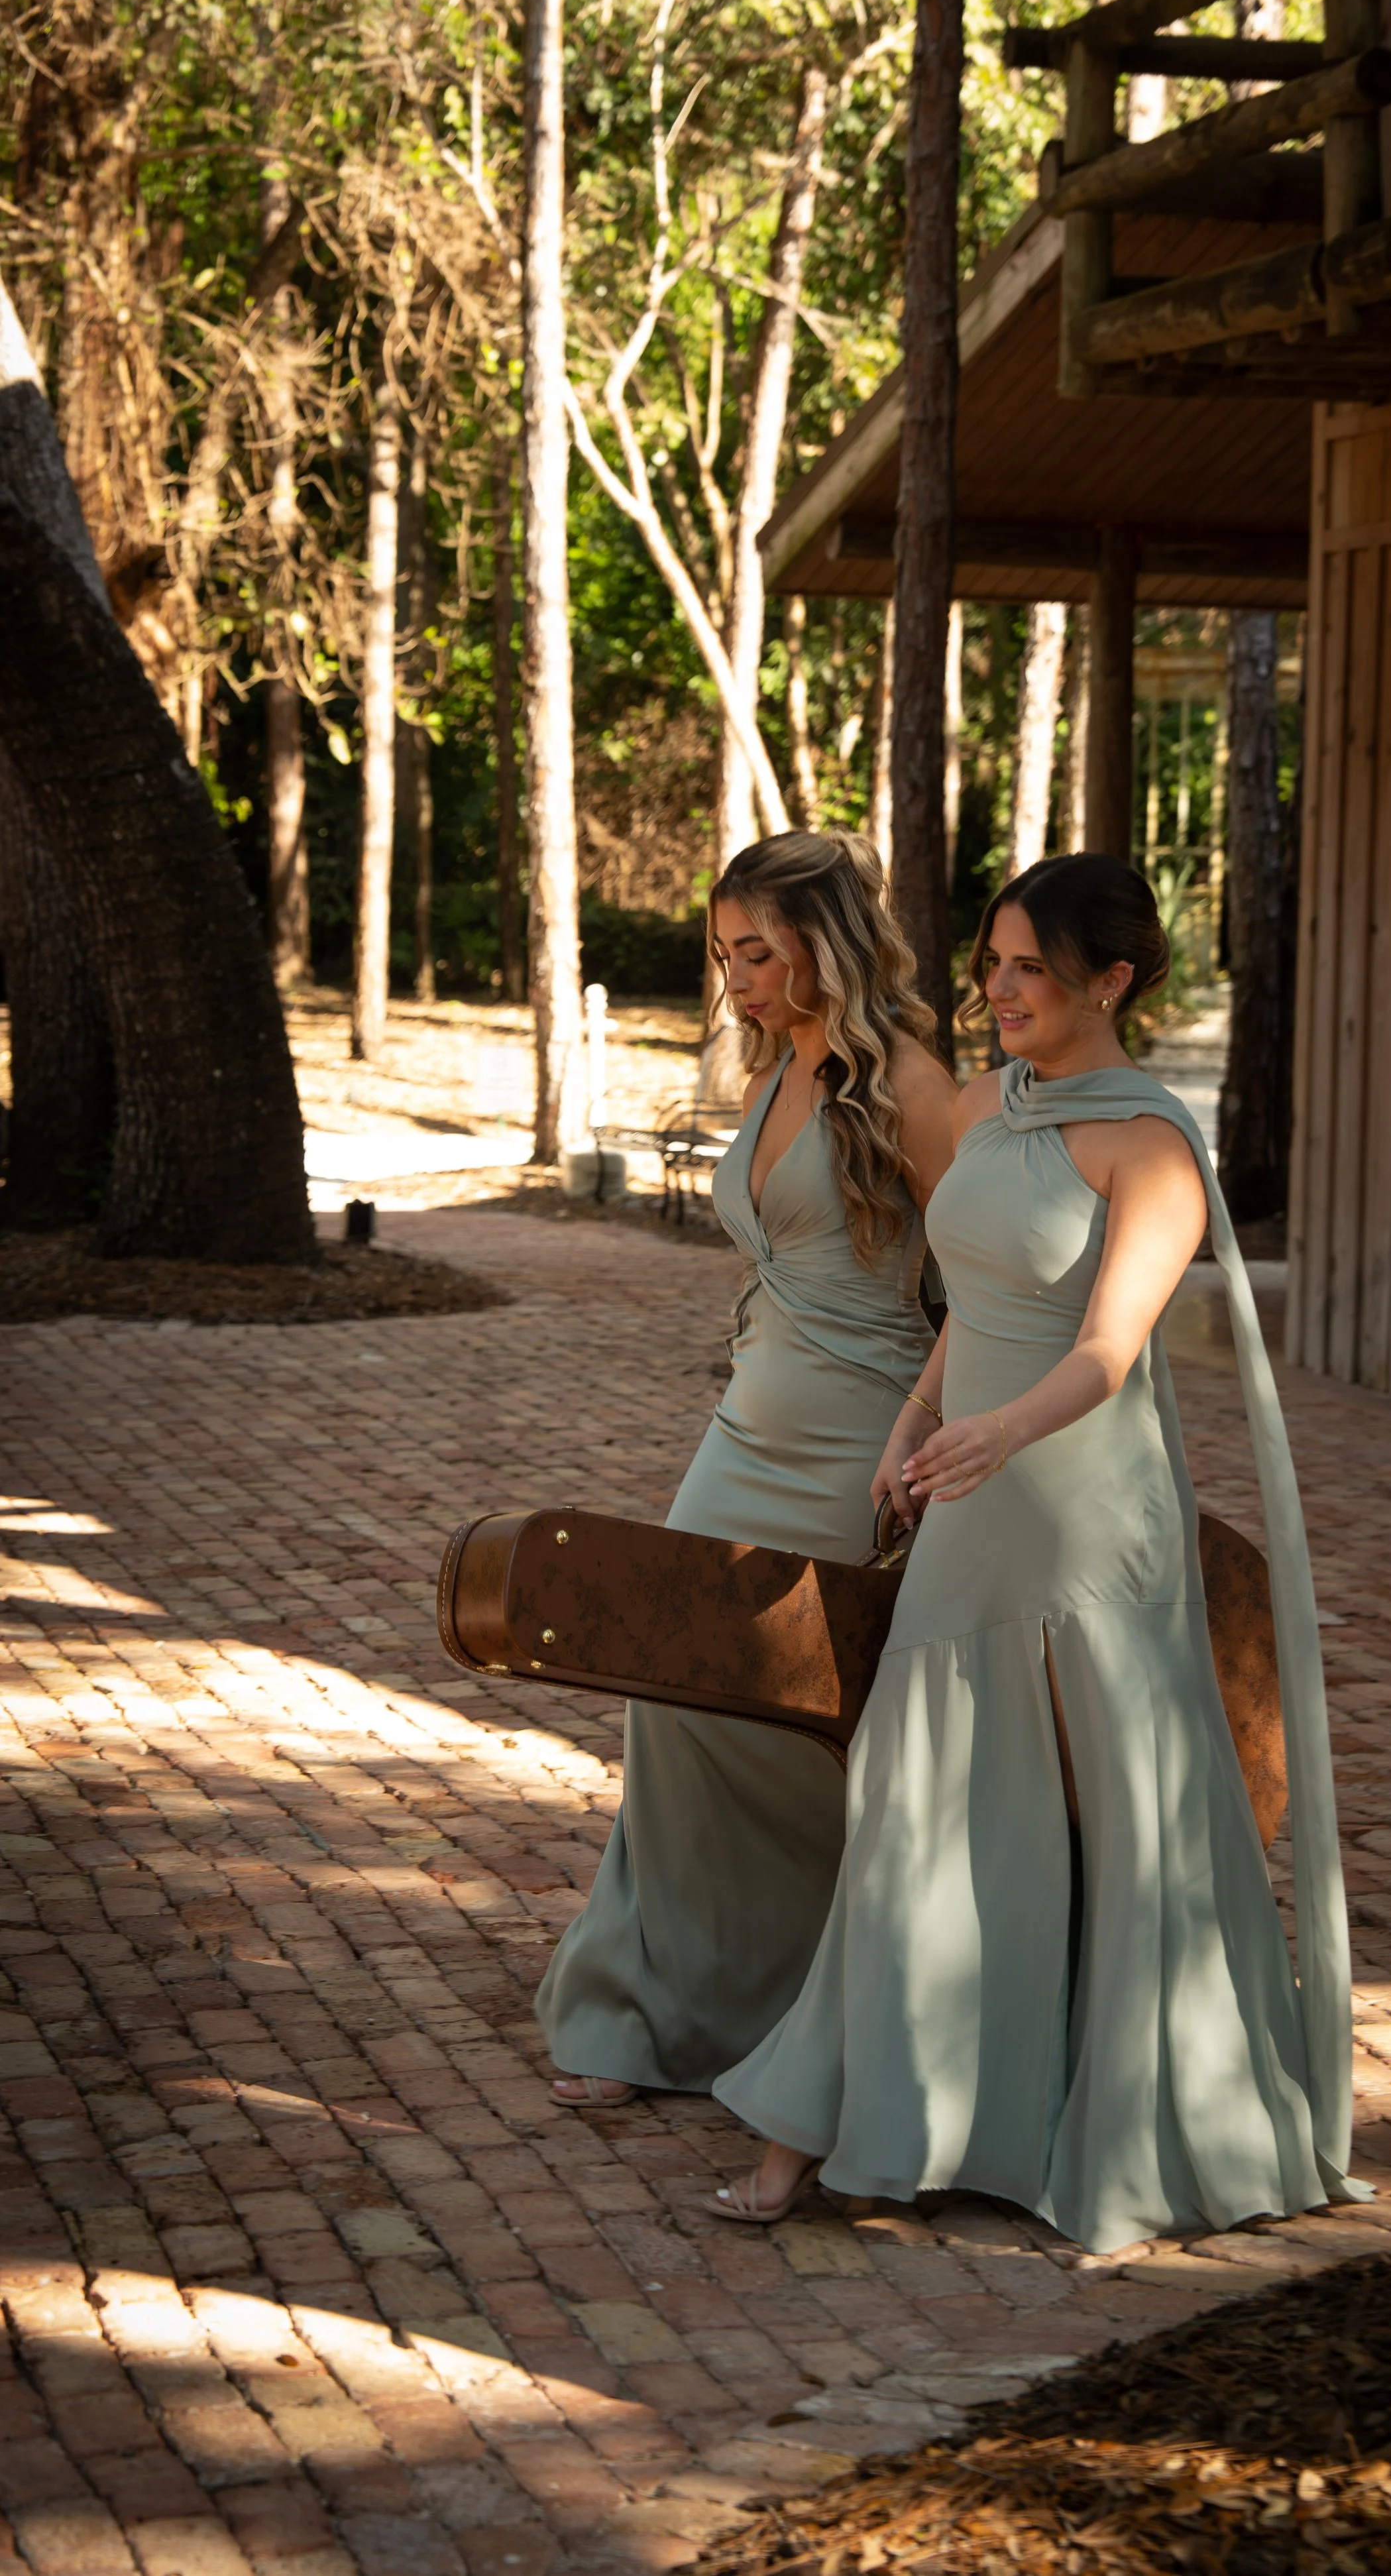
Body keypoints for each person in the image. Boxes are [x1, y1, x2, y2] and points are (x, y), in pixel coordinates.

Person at [707, 852, 1364, 2253]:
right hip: (970, 1491)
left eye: (1025, 970)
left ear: (1107, 983)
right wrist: (913, 1421)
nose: (994, 990)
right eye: (991, 963)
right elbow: (974, 1299)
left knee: (1118, 1819)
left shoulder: (1151, 1145)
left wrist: (993, 1435)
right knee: (909, 1794)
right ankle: (839, 2132)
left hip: (1083, 1520)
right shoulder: (995, 1104)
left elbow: (1108, 1351)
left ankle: (1138, 2126)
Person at [537, 830, 957, 2107]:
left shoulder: (918, 1087)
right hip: (745, 1429)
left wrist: (936, 1439)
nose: (738, 980)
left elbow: (989, 1285)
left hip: (858, 1442)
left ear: (826, 942)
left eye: (759, 952)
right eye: (725, 954)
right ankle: (649, 2010)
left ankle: (820, 1999)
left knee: (803, 1728)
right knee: (669, 1691)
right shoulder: (776, 1069)